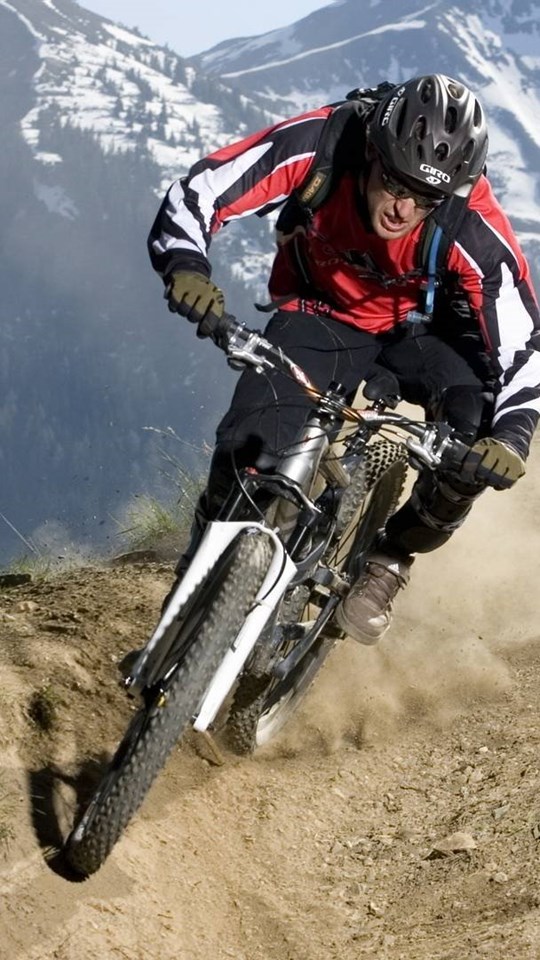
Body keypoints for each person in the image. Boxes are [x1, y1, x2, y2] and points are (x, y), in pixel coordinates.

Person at [148, 74, 540, 644]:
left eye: (425, 198)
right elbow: (199, 192)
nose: (404, 208)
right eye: (395, 183)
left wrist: (512, 438)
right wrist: (186, 266)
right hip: (326, 311)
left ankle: (390, 558)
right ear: (373, 151)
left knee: (470, 439)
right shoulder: (325, 142)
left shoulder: (471, 225)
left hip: (431, 333)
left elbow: (525, 343)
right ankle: (197, 580)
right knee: (248, 445)